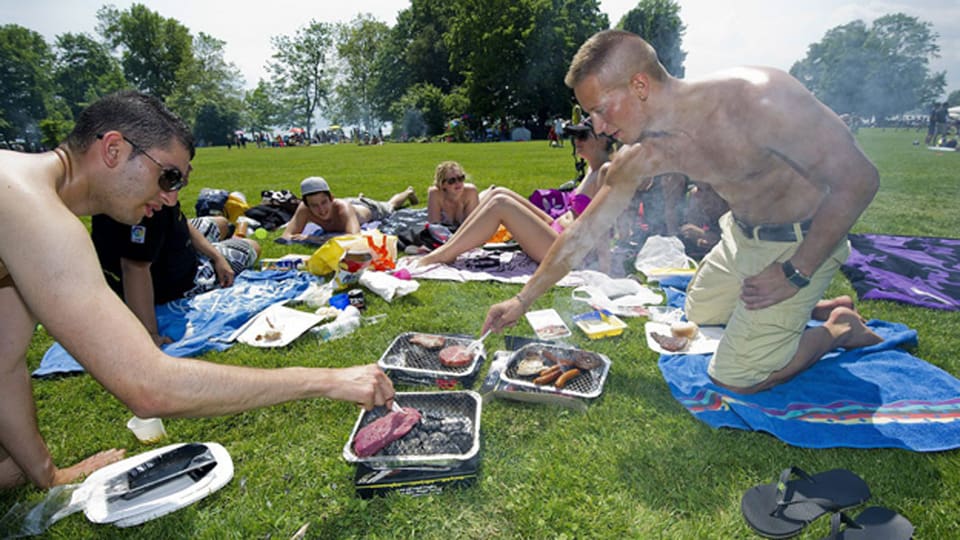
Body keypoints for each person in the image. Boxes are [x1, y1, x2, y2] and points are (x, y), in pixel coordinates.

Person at [0, 91, 395, 491]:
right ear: (113, 149)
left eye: (180, 183)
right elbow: (149, 386)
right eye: (169, 177)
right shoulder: (33, 210)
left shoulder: (21, 199)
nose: (172, 198)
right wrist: (326, 380)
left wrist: (45, 474)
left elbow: (5, 360)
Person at [483, 30, 883, 394]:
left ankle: (837, 328)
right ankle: (805, 310)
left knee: (738, 375)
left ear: (640, 85)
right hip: (739, 237)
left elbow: (859, 180)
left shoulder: (760, 101)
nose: (600, 128)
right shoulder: (640, 155)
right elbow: (583, 233)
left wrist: (796, 272)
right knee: (698, 314)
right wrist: (521, 300)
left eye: (602, 110)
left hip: (801, 241)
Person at [416, 117, 614, 266]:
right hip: (556, 229)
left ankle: (442, 255)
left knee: (500, 204)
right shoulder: (591, 168)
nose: (576, 140)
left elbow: (607, 222)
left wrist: (605, 269)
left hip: (569, 250)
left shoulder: (606, 171)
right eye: (575, 135)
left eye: (583, 135)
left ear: (602, 140)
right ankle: (452, 245)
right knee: (499, 192)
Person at [91, 203, 262, 346]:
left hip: (175, 243)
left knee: (222, 223)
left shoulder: (150, 189)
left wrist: (217, 257)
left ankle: (218, 248)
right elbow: (135, 267)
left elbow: (179, 219)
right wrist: (150, 334)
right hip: (181, 277)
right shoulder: (147, 210)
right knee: (252, 246)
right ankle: (223, 248)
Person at [280, 177, 418, 242]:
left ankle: (408, 192)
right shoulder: (304, 208)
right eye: (314, 205)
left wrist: (313, 238)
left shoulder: (342, 208)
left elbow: (354, 237)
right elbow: (286, 236)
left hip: (370, 208)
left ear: (331, 198)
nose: (321, 209)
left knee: (391, 205)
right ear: (306, 204)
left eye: (324, 202)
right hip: (351, 205)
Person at [426, 161, 481, 229]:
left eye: (461, 178)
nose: (458, 183)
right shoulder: (435, 193)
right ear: (442, 184)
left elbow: (472, 226)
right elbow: (434, 225)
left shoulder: (470, 192)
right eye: (452, 181)